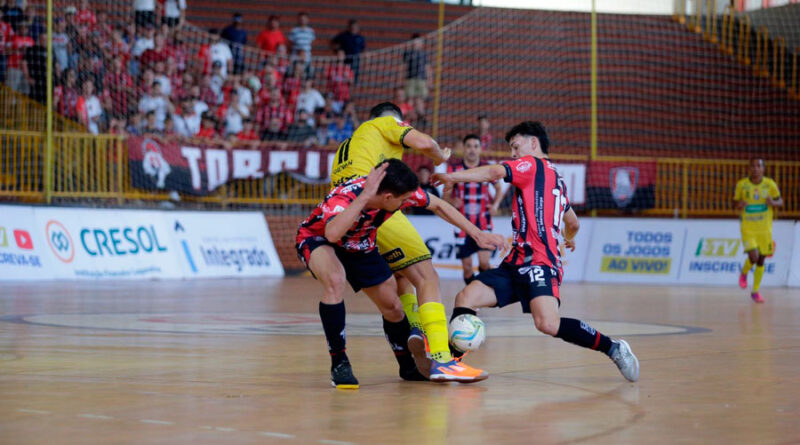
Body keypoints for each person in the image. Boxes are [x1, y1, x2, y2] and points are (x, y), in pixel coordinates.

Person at [431, 121, 640, 383]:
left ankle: (613, 348)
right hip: (516, 261)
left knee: (548, 324)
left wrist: (452, 176)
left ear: (533, 143)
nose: (513, 154)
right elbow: (573, 223)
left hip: (540, 262)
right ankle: (451, 364)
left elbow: (494, 172)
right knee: (466, 296)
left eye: (515, 146)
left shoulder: (532, 164)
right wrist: (568, 238)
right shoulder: (557, 179)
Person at [297, 159, 507, 388]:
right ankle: (339, 362)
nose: (407, 202)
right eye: (403, 200)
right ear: (388, 197)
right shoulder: (345, 197)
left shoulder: (397, 192)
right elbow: (332, 233)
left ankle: (407, 366)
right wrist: (364, 198)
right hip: (318, 239)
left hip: (360, 243)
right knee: (335, 279)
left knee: (394, 307)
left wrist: (477, 234)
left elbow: (438, 206)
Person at [330, 102, 486, 381]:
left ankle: (416, 327)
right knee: (427, 277)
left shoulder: (350, 146)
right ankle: (442, 359)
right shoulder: (385, 123)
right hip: (377, 207)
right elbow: (425, 143)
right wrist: (439, 156)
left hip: (347, 221)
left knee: (403, 274)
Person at [445, 134, 504, 284]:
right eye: (469, 146)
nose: (472, 150)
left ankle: (483, 292)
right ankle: (472, 294)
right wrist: (452, 200)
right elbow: (445, 195)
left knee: (484, 263)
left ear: (480, 149)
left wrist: (495, 205)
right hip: (462, 224)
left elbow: (499, 189)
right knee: (467, 267)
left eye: (476, 146)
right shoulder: (454, 169)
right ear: (464, 148)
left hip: (483, 222)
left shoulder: (488, 168)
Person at [734, 158, 783, 303]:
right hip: (748, 228)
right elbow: (734, 202)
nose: (756, 168)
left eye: (758, 166)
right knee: (754, 257)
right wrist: (739, 204)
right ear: (749, 168)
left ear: (763, 168)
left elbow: (780, 201)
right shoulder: (742, 185)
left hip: (765, 229)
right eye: (753, 166)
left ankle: (755, 291)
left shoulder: (770, 184)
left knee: (761, 260)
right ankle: (744, 272)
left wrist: (773, 203)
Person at [400, 34, 430, 121]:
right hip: (410, 79)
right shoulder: (408, 53)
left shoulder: (423, 54)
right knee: (410, 99)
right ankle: (407, 116)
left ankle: (421, 116)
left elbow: (427, 67)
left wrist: (429, 80)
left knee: (420, 99)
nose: (417, 44)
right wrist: (402, 79)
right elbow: (403, 67)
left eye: (419, 42)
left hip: (421, 79)